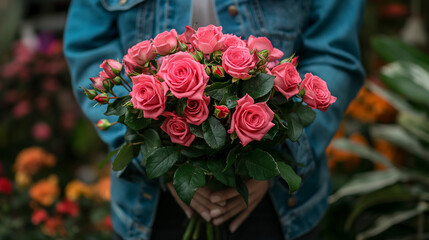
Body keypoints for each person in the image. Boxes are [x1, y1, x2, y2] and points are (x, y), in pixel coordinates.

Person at [64, 0, 365, 239]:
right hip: (152, 202)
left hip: (276, 204)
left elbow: (333, 52)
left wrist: (275, 159)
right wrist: (154, 157)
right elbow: (90, 47)